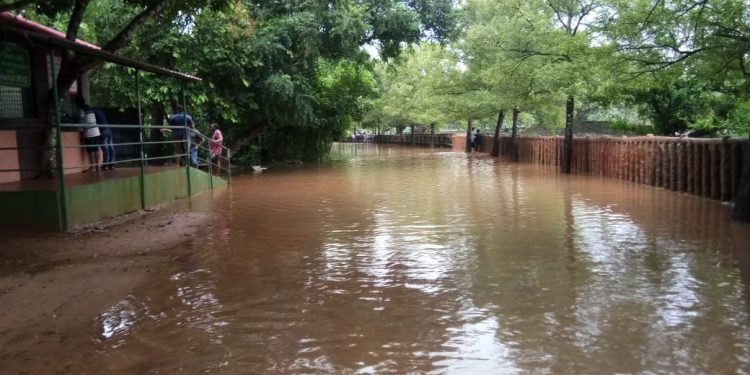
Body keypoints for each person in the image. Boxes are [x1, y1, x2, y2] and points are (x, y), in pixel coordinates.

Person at [76, 97, 102, 172]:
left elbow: (80, 121)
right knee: (96, 149)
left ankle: (92, 167)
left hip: (89, 132)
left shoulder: (81, 110)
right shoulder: (90, 109)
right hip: (96, 131)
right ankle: (97, 167)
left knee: (91, 150)